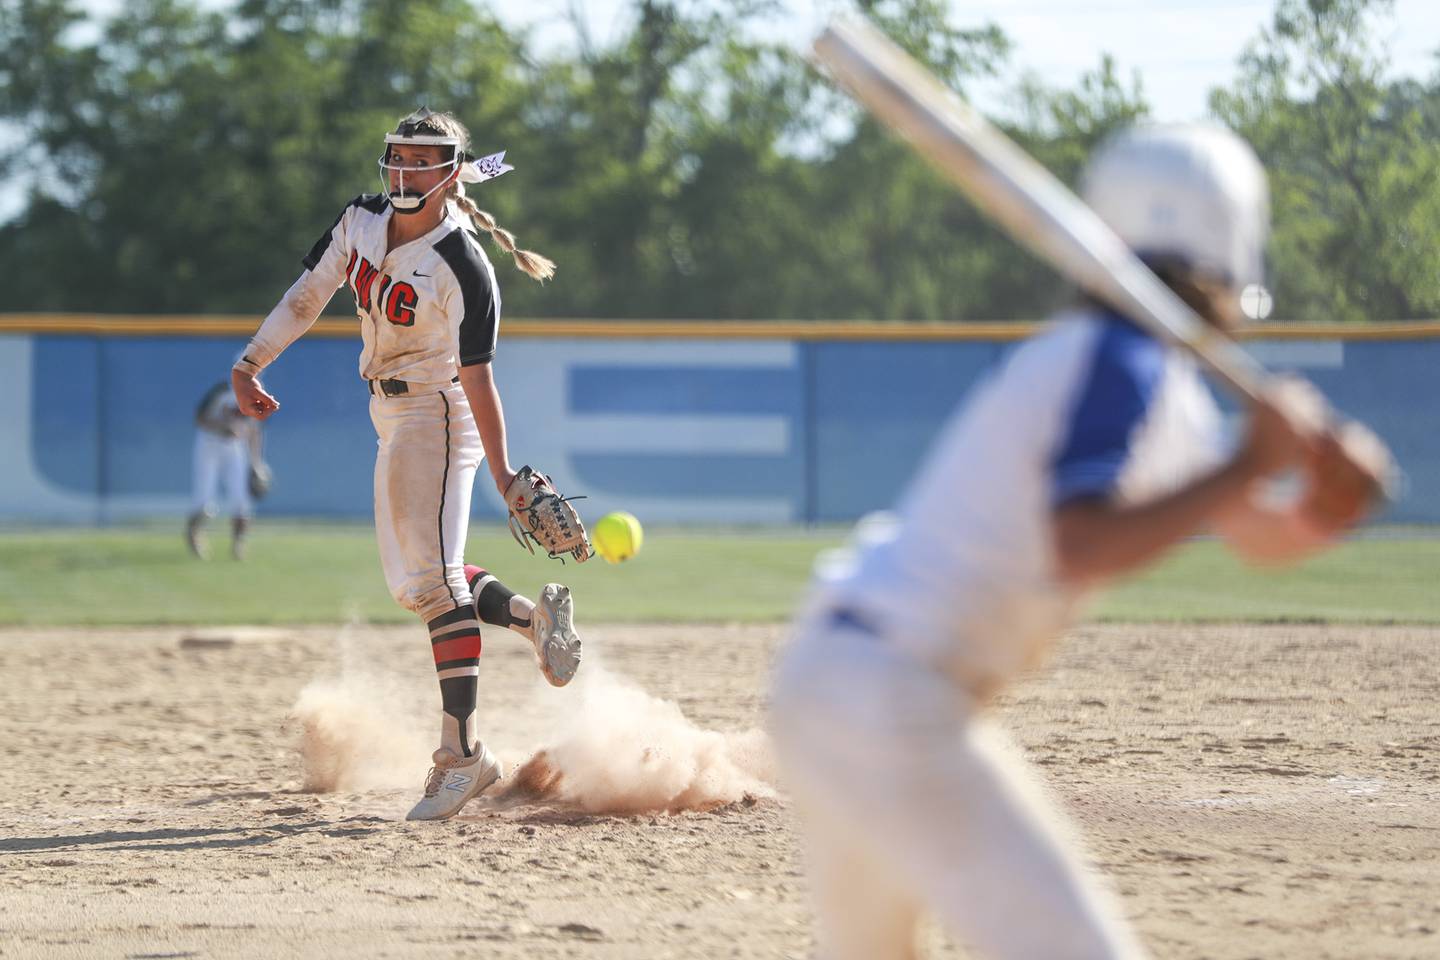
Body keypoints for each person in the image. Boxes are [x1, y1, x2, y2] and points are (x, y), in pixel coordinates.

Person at [768, 124, 1387, 960]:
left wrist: (1326, 505)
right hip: (892, 698)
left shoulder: (1138, 373)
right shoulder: (1120, 361)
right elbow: (1083, 547)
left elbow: (1259, 537)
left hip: (837, 681)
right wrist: (1252, 462)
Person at [230, 107, 581, 821]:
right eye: (397, 156)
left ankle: (463, 754)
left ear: (451, 173)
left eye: (423, 160)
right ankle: (526, 620)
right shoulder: (360, 220)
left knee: (431, 583)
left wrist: (508, 476)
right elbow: (308, 296)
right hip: (390, 411)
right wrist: (251, 361)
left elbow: (479, 379)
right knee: (415, 581)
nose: (404, 171)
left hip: (439, 411)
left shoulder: (463, 264)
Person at [187, 380, 263, 560]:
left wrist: (256, 463)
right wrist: (222, 427)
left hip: (234, 448)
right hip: (209, 444)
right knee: (205, 502)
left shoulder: (256, 393)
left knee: (242, 501)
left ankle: (239, 545)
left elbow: (254, 430)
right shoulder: (221, 390)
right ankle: (194, 534)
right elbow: (200, 418)